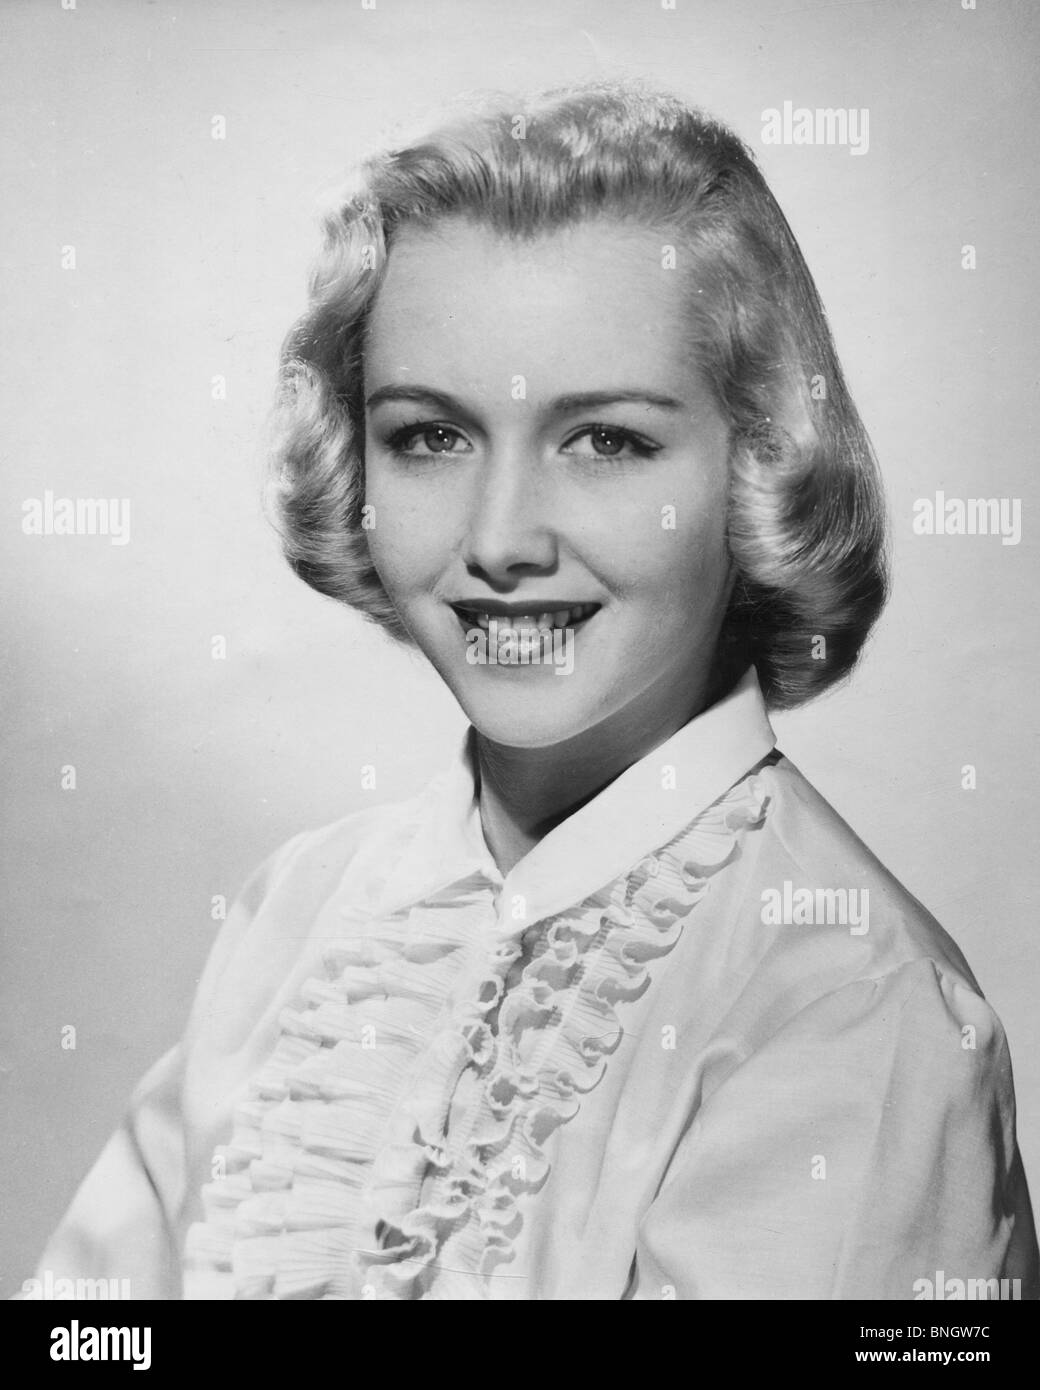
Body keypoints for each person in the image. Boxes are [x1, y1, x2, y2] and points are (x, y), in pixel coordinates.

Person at [28, 80, 1038, 1300]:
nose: (501, 537)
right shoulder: (301, 911)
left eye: (605, 440)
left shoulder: (845, 1002)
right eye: (429, 437)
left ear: (759, 461)